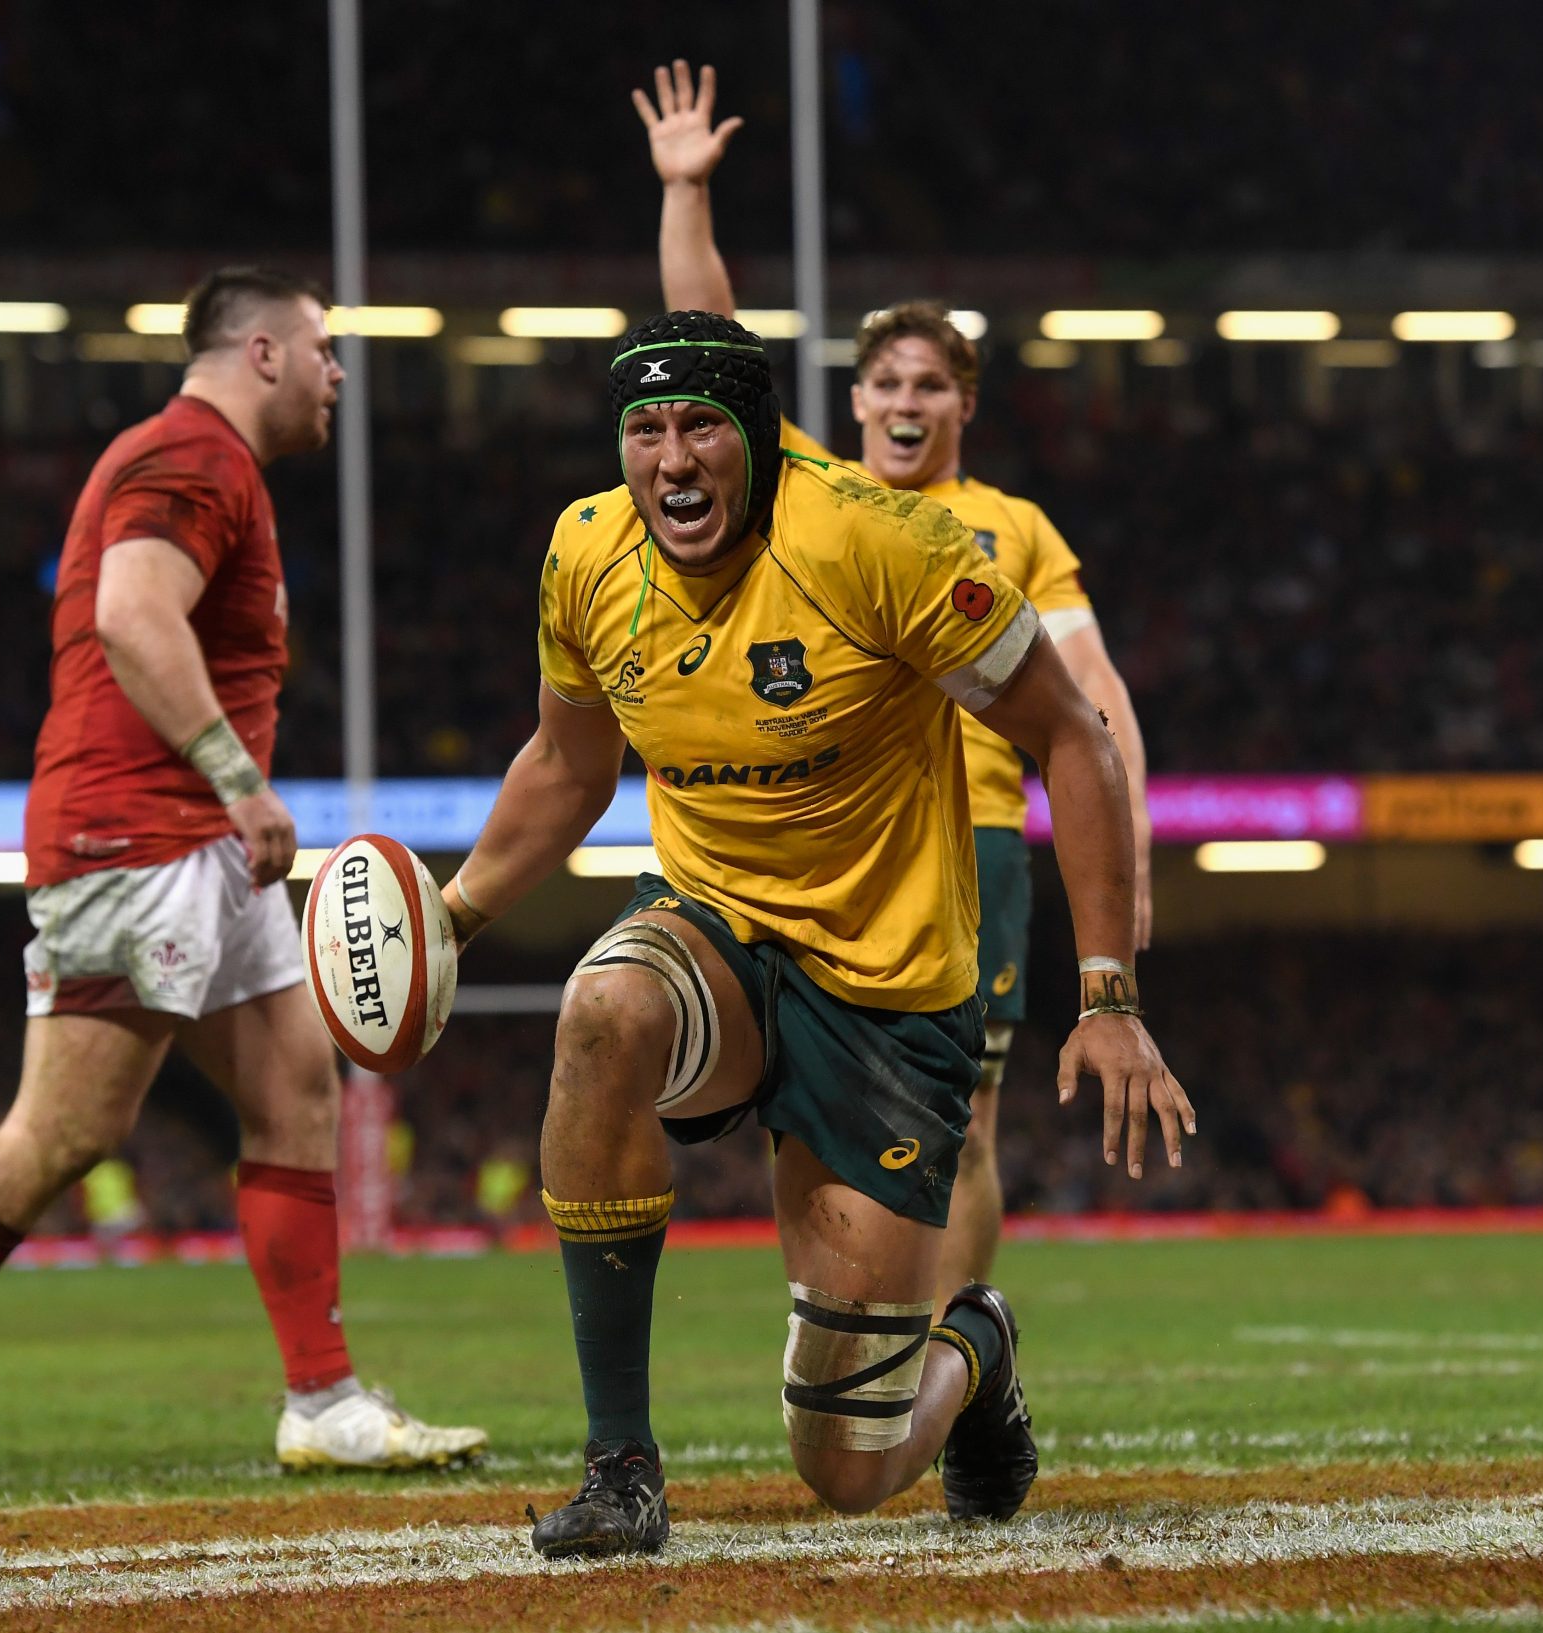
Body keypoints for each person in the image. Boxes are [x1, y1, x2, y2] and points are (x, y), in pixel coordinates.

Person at [440, 308, 1192, 1558]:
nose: (671, 459)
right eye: (643, 429)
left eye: (699, 426)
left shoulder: (879, 541)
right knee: (605, 1007)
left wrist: (1108, 994)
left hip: (887, 990)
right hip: (718, 932)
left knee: (848, 1464)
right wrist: (456, 915)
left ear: (756, 434)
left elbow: (1073, 732)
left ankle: (977, 1343)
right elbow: (566, 764)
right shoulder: (585, 552)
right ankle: (619, 1467)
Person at [0, 268, 486, 1485]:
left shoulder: (214, 466)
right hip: (136, 834)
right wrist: (239, 780)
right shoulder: (189, 455)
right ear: (261, 354)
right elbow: (131, 613)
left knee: (297, 1091)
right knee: (69, 1128)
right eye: (321, 349)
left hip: (197, 843)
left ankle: (323, 1400)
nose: (336, 373)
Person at [635, 61, 1156, 1308]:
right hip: (832, 841)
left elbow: (1092, 696)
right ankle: (850, 1341)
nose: (906, 401)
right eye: (887, 383)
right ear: (855, 398)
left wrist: (1125, 868)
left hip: (974, 842)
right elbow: (708, 336)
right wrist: (686, 191)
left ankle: (945, 1356)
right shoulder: (814, 494)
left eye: (930, 384)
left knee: (964, 1119)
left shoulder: (1012, 527)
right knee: (807, 1115)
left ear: (962, 402)